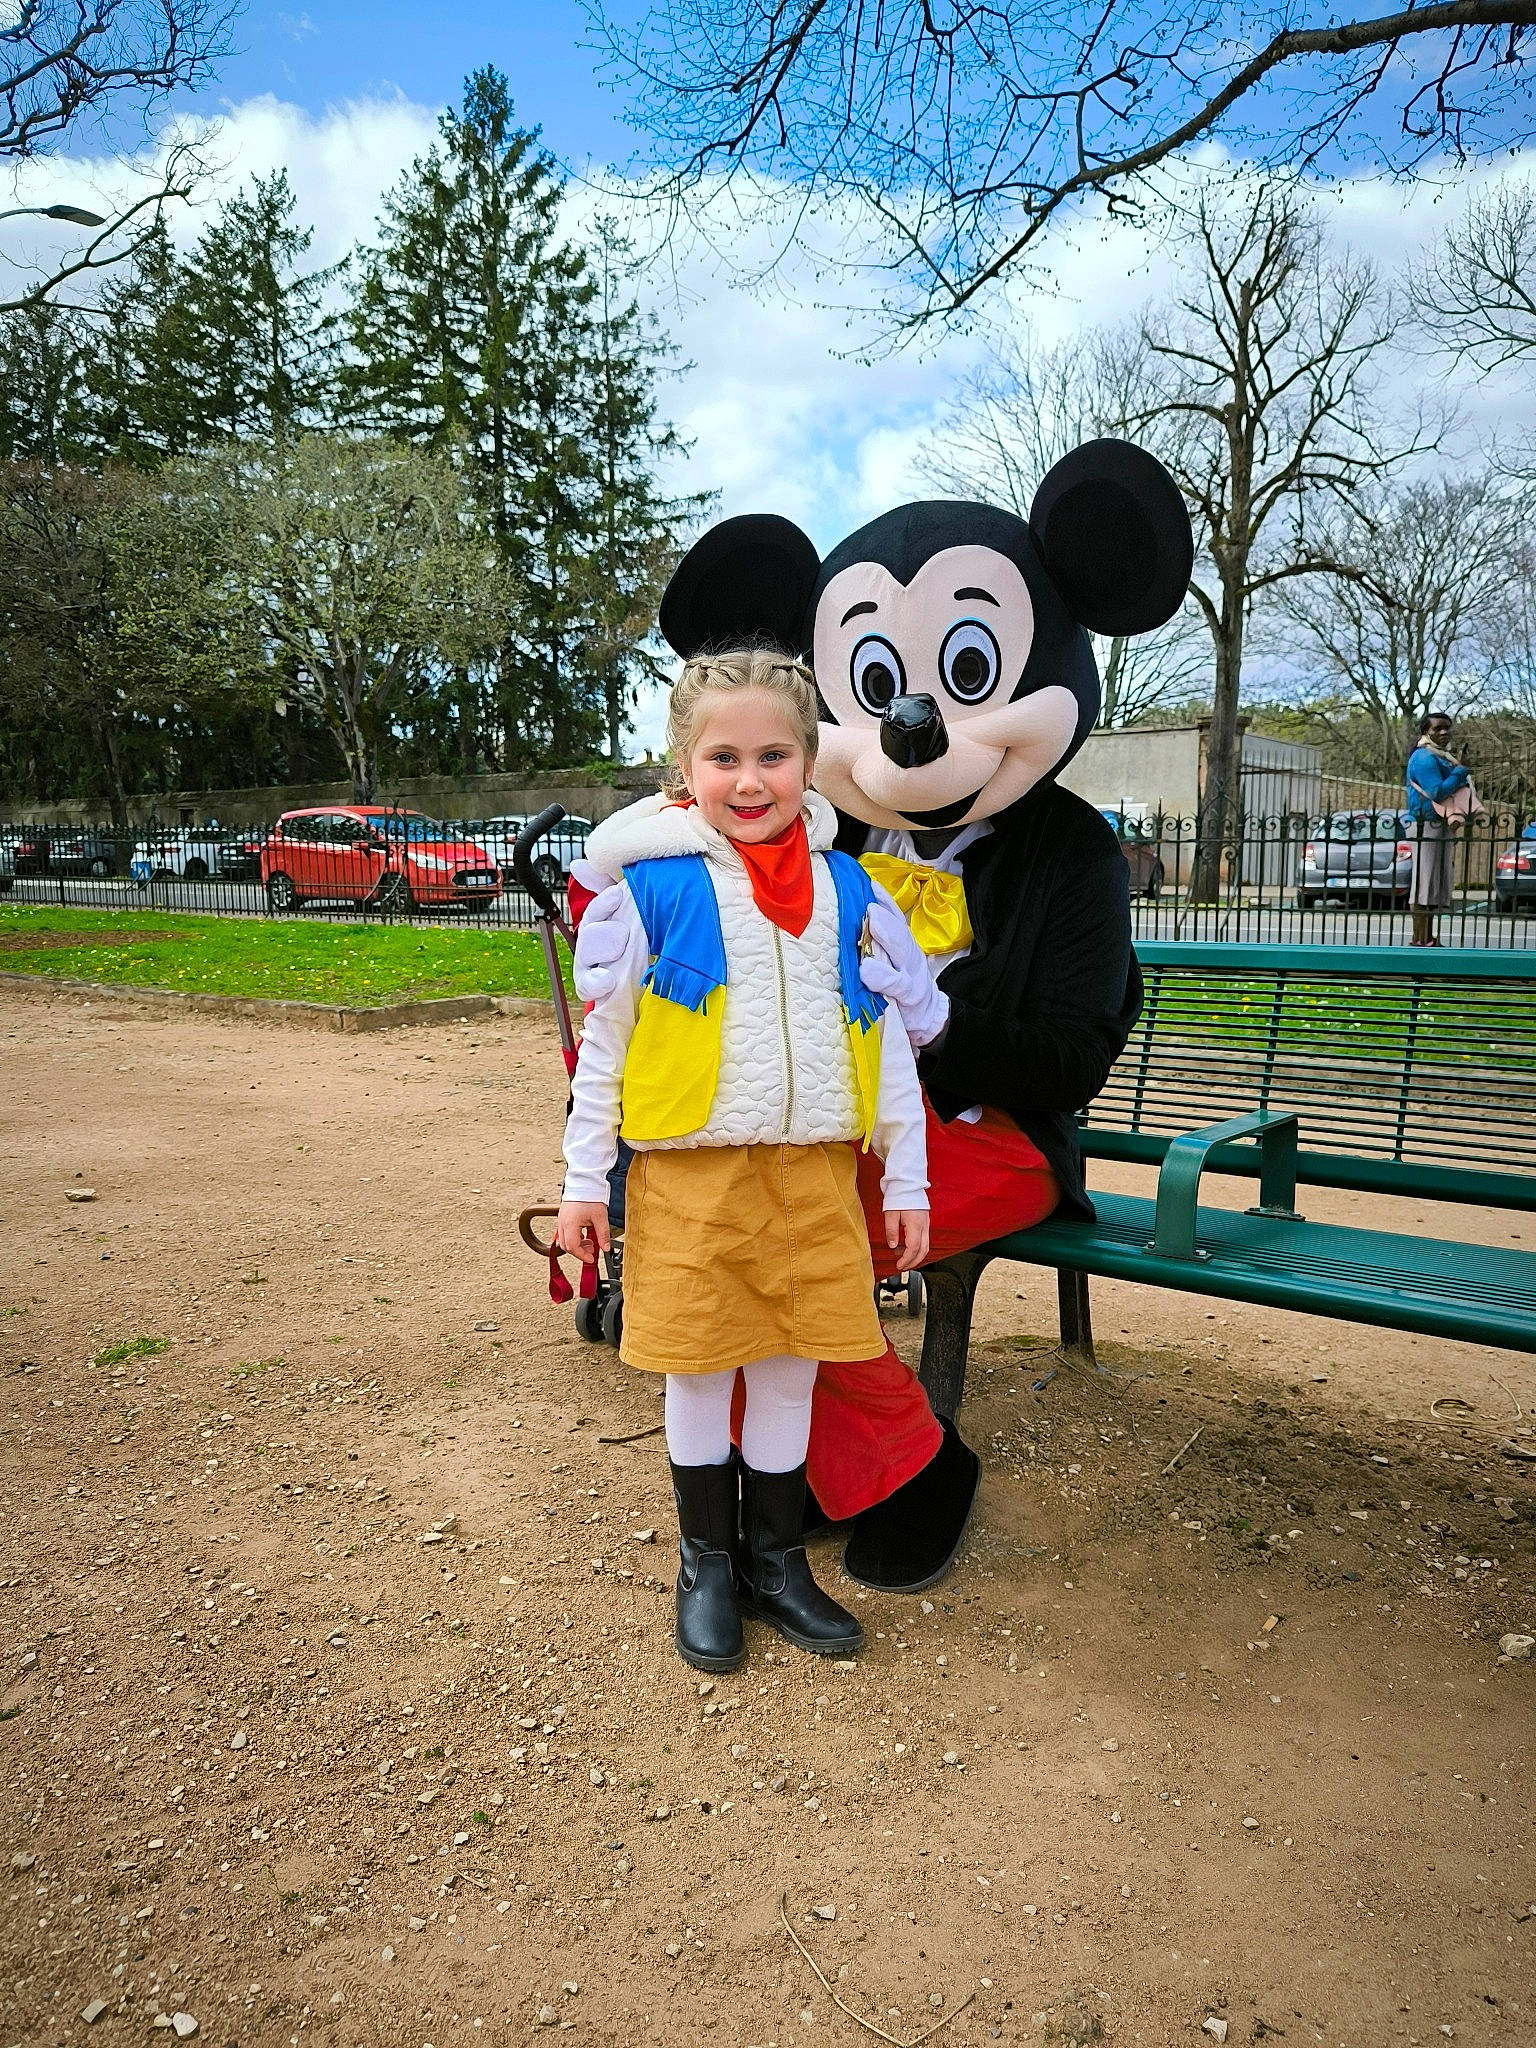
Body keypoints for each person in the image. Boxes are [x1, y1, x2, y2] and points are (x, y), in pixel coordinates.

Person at [554, 649, 930, 1674]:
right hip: (694, 1180)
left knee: (788, 1365)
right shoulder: (657, 890)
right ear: (685, 768)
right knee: (700, 1365)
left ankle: (774, 1561)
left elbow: (886, 1043)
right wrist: (584, 1180)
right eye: (725, 756)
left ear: (811, 762)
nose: (751, 779)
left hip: (811, 1180)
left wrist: (907, 1178)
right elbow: (608, 1042)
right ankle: (706, 1563)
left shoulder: (849, 891)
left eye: (775, 753)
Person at [1405, 709, 1472, 947]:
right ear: (1426, 731)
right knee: (1424, 885)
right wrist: (1460, 772)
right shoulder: (1424, 758)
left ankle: (1429, 938)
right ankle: (1418, 940)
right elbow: (1436, 791)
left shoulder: (1441, 756)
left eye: (1447, 728)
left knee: (1433, 886)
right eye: (1437, 728)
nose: (1444, 732)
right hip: (1425, 825)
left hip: (1438, 824)